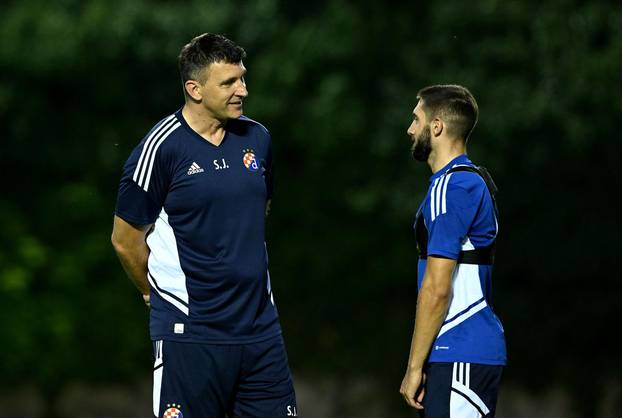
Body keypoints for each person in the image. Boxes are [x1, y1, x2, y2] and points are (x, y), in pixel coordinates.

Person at [111, 33, 298, 418]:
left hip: (260, 333)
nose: (242, 90)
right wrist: (154, 292)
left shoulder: (258, 138)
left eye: (242, 78)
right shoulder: (160, 148)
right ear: (194, 89)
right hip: (191, 335)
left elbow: (259, 208)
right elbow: (125, 240)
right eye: (228, 82)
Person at [399, 85, 507, 417]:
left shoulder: (453, 185)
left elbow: (437, 286)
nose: (410, 129)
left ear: (437, 127)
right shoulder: (464, 182)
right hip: (458, 352)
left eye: (416, 119)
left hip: (457, 348)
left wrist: (414, 367)